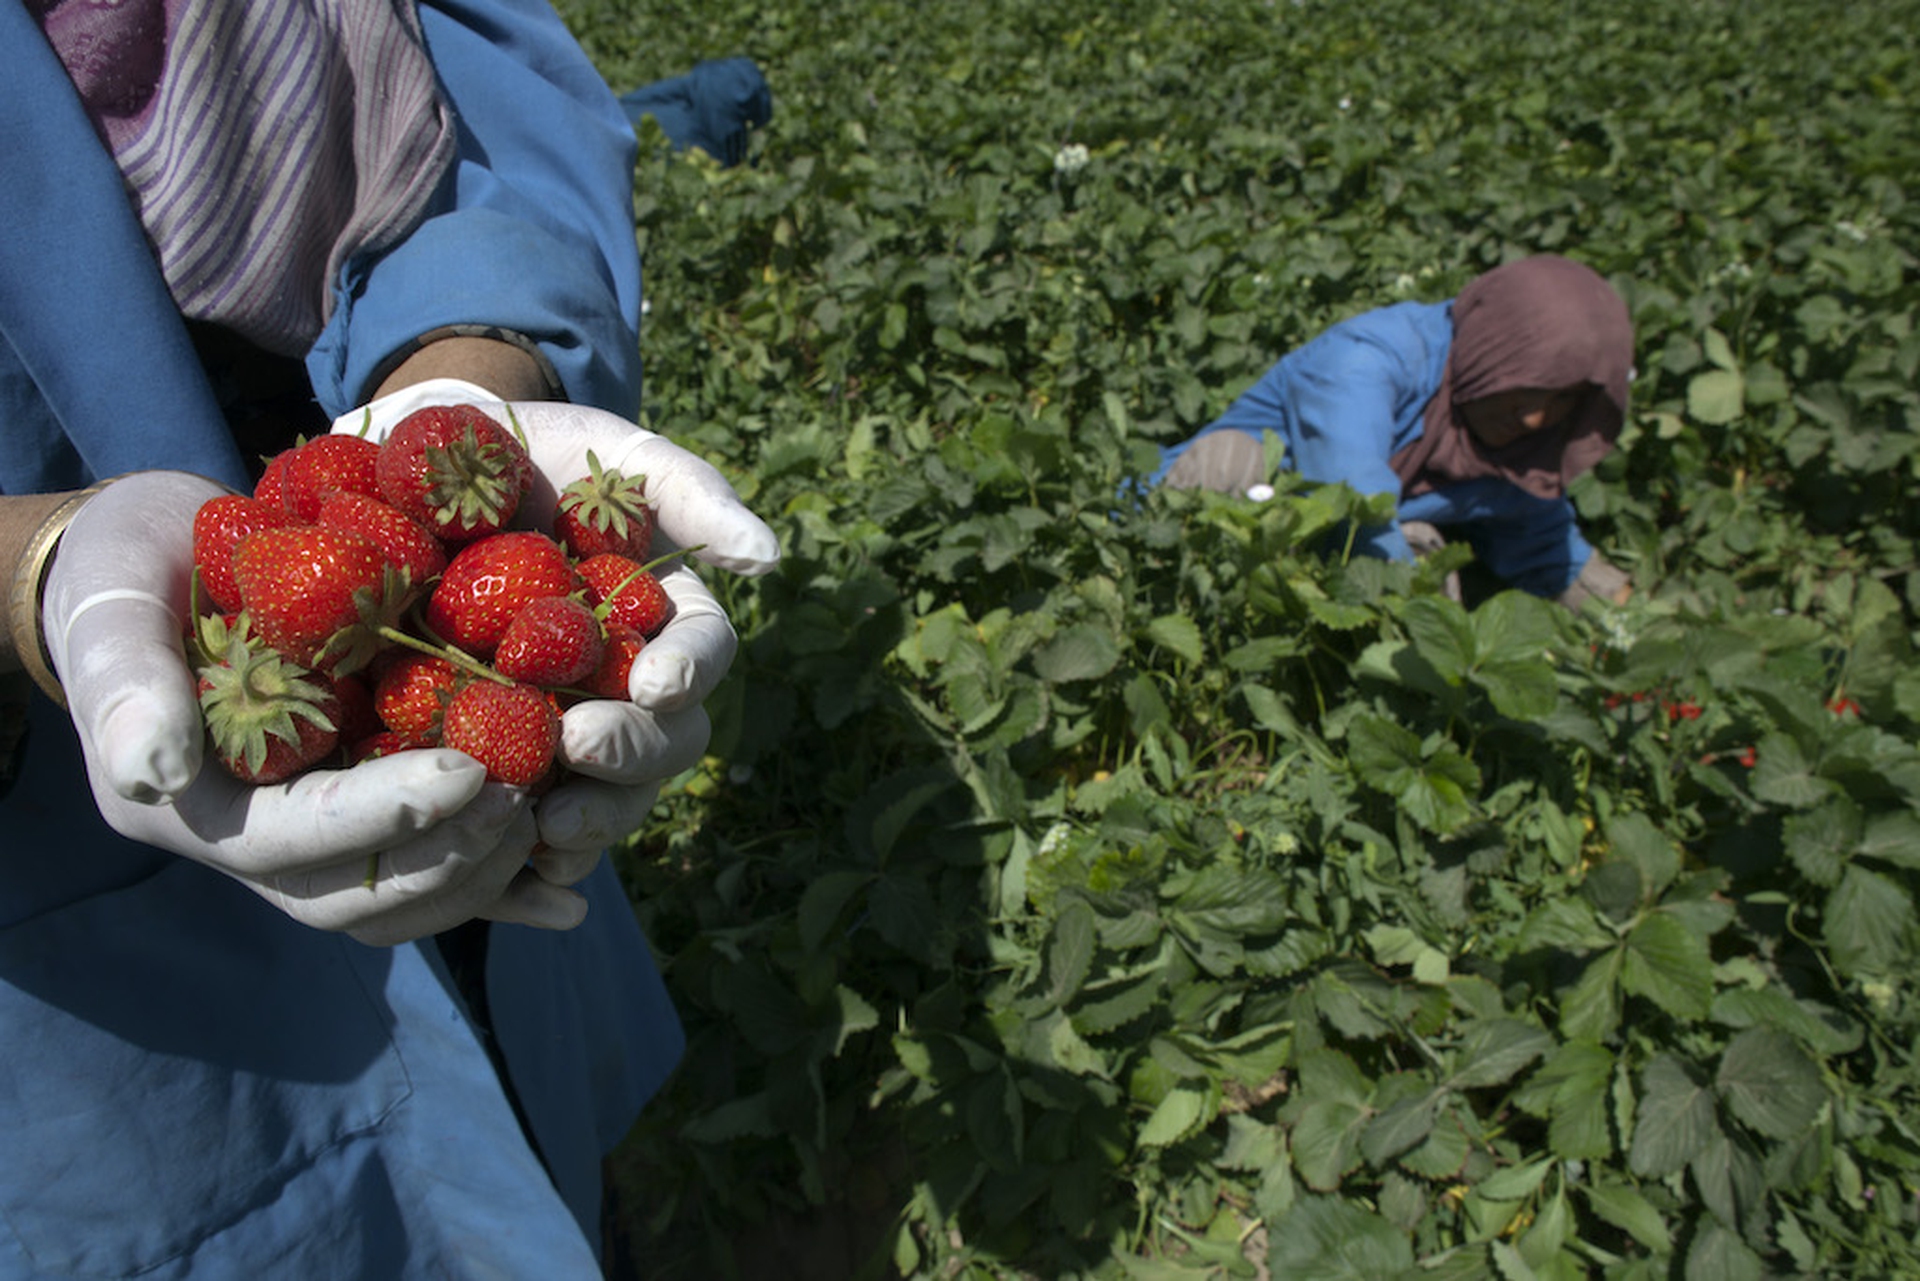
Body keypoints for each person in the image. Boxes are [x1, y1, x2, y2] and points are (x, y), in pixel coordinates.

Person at [0, 3, 777, 1277]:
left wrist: (467, 374)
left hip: (386, 646)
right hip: (66, 915)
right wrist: (31, 572)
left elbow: (486, 106)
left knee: (533, 1106)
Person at [1148, 255, 1635, 608]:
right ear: (1494, 351)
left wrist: (1638, 636)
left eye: (1563, 400)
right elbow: (1352, 494)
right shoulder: (1371, 359)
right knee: (1234, 465)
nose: (1535, 418)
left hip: (1326, 573)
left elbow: (1551, 550)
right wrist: (1430, 620)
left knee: (1419, 544)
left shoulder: (1513, 446)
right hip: (1178, 529)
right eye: (1528, 387)